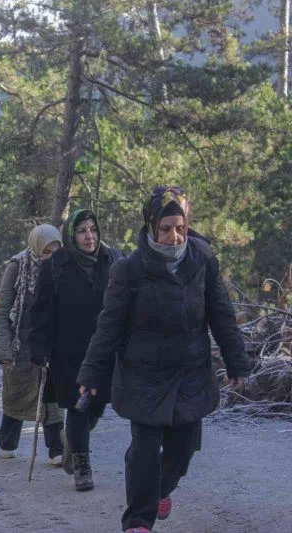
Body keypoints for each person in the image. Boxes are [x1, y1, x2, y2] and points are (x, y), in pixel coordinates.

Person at [77, 186, 250, 533]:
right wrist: (92, 373)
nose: (174, 237)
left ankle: (160, 491)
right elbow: (108, 325)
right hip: (143, 375)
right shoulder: (129, 269)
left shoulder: (202, 260)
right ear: (152, 225)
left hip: (190, 372)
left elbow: (221, 314)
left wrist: (236, 361)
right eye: (166, 228)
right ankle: (138, 521)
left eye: (180, 227)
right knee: (144, 449)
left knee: (184, 448)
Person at [27, 208, 120, 491]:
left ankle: (71, 441)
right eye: (81, 231)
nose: (89, 236)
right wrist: (39, 348)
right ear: (71, 235)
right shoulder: (56, 264)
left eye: (92, 229)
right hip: (68, 352)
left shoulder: (113, 259)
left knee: (98, 406)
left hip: (105, 350)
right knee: (78, 407)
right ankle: (82, 467)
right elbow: (40, 311)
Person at [0, 224, 64, 463]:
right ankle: (7, 442)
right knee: (17, 395)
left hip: (50, 344)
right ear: (36, 249)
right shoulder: (17, 267)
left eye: (56, 251)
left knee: (51, 397)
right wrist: (3, 350)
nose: (51, 258)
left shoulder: (63, 269)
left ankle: (56, 449)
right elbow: (2, 311)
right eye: (46, 252)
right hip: (20, 345)